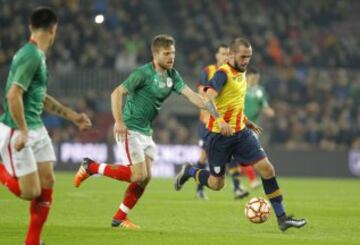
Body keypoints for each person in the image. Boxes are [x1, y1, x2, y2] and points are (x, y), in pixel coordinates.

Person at [74, 34, 208, 229]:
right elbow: (117, 93)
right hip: (129, 127)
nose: (172, 57)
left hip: (146, 131)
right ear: (155, 55)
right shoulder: (143, 73)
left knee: (145, 177)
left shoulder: (173, 75)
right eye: (167, 53)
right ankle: (91, 167)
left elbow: (190, 95)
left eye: (173, 53)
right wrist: (119, 121)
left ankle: (119, 218)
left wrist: (209, 106)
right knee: (137, 174)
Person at [175, 38, 307, 231]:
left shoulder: (242, 74)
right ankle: (189, 171)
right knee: (216, 183)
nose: (246, 60)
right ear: (231, 54)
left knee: (267, 169)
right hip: (219, 137)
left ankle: (282, 218)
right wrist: (219, 121)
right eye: (243, 56)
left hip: (241, 134)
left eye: (249, 56)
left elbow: (233, 102)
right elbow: (207, 98)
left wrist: (245, 120)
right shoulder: (222, 74)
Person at [0, 7, 92, 245]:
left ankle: (32, 242)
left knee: (48, 182)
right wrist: (22, 130)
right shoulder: (30, 55)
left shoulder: (38, 56)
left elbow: (40, 96)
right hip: (18, 128)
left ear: (32, 27)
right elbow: (13, 95)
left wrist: (72, 116)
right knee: (29, 191)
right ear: (54, 29)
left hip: (36, 127)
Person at [229, 67, 276, 191]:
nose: (254, 80)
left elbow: (264, 104)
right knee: (244, 152)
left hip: (253, 126)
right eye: (252, 78)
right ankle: (250, 180)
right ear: (247, 77)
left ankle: (237, 183)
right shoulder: (240, 87)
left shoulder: (260, 91)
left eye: (256, 78)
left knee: (241, 154)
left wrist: (268, 110)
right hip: (238, 124)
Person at [195, 44, 230, 200]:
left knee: (226, 155)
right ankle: (199, 188)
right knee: (204, 156)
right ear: (217, 55)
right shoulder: (208, 71)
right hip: (208, 121)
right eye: (223, 53)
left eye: (228, 54)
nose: (225, 57)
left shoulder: (231, 73)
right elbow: (202, 93)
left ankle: (236, 186)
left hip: (225, 121)